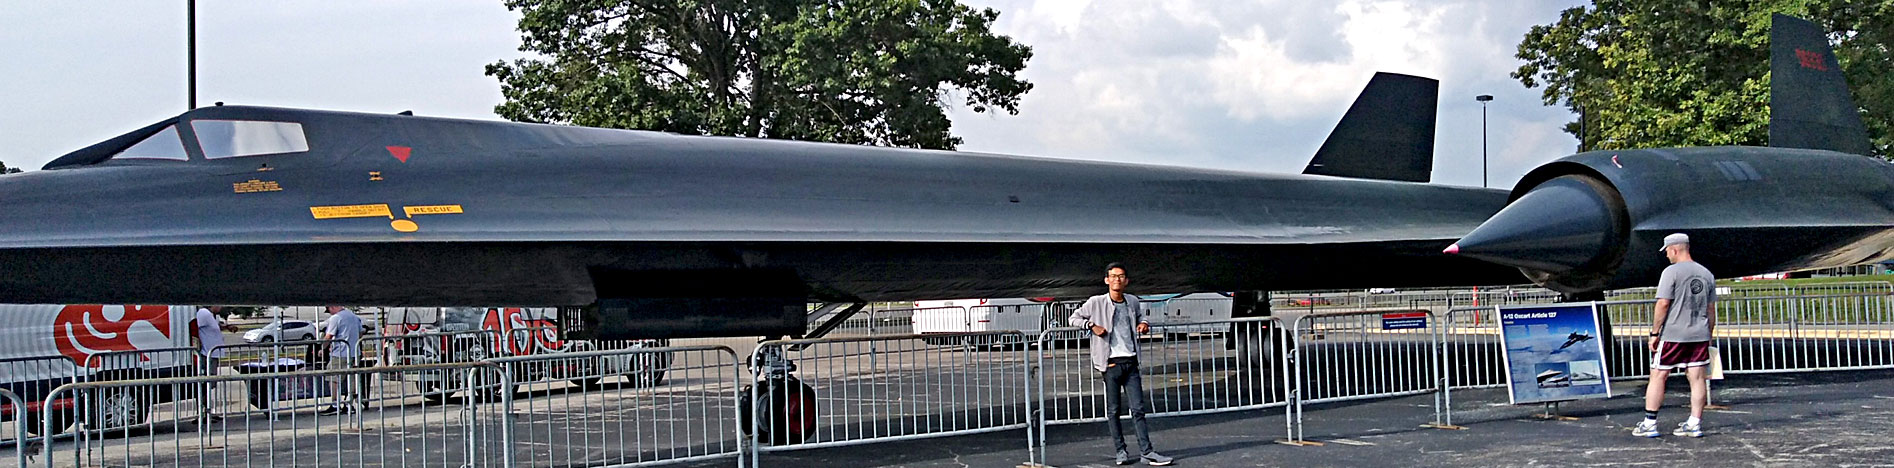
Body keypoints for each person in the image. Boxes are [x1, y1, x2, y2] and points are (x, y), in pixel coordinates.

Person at [1068, 263, 1174, 466]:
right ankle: (1121, 450)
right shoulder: (1096, 302)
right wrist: (1091, 326)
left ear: (1126, 281)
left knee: (1138, 409)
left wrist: (1144, 324)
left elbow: (1141, 316)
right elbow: (1073, 318)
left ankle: (1147, 451)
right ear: (1106, 280)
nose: (1117, 279)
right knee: (1114, 411)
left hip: (1131, 362)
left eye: (1121, 276)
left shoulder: (1132, 301)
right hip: (1111, 364)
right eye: (1113, 276)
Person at [1633, 233, 1716, 438]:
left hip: (1673, 334)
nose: (1667, 255)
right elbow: (1711, 309)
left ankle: (1650, 423)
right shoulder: (1706, 273)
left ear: (1675, 249)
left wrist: (1654, 333)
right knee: (1697, 378)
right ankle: (1694, 423)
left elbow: (1663, 303)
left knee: (1658, 375)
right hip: (1699, 333)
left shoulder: (1671, 272)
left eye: (1668, 251)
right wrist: (1709, 334)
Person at [188, 305, 237, 422]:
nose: (221, 307)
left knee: (209, 384)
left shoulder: (211, 316)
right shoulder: (203, 313)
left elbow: (213, 327)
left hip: (213, 354)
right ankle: (203, 412)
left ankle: (208, 411)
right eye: (218, 305)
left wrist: (226, 327)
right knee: (205, 384)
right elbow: (194, 326)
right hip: (207, 354)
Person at [319, 305, 363, 415]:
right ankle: (349, 404)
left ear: (333, 307)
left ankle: (335, 404)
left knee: (334, 378)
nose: (329, 313)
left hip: (340, 353)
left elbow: (329, 336)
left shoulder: (336, 318)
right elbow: (360, 333)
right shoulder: (354, 316)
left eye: (329, 310)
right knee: (352, 378)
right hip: (355, 352)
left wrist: (322, 349)